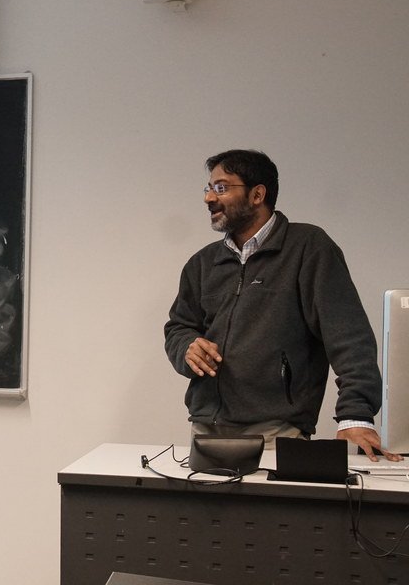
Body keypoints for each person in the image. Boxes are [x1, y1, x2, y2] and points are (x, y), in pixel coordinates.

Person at [164, 149, 401, 461]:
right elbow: (179, 327)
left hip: (278, 434)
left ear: (257, 194)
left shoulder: (308, 248)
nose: (209, 198)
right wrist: (187, 347)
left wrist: (355, 415)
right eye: (208, 188)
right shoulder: (203, 263)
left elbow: (348, 335)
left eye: (221, 187)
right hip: (206, 430)